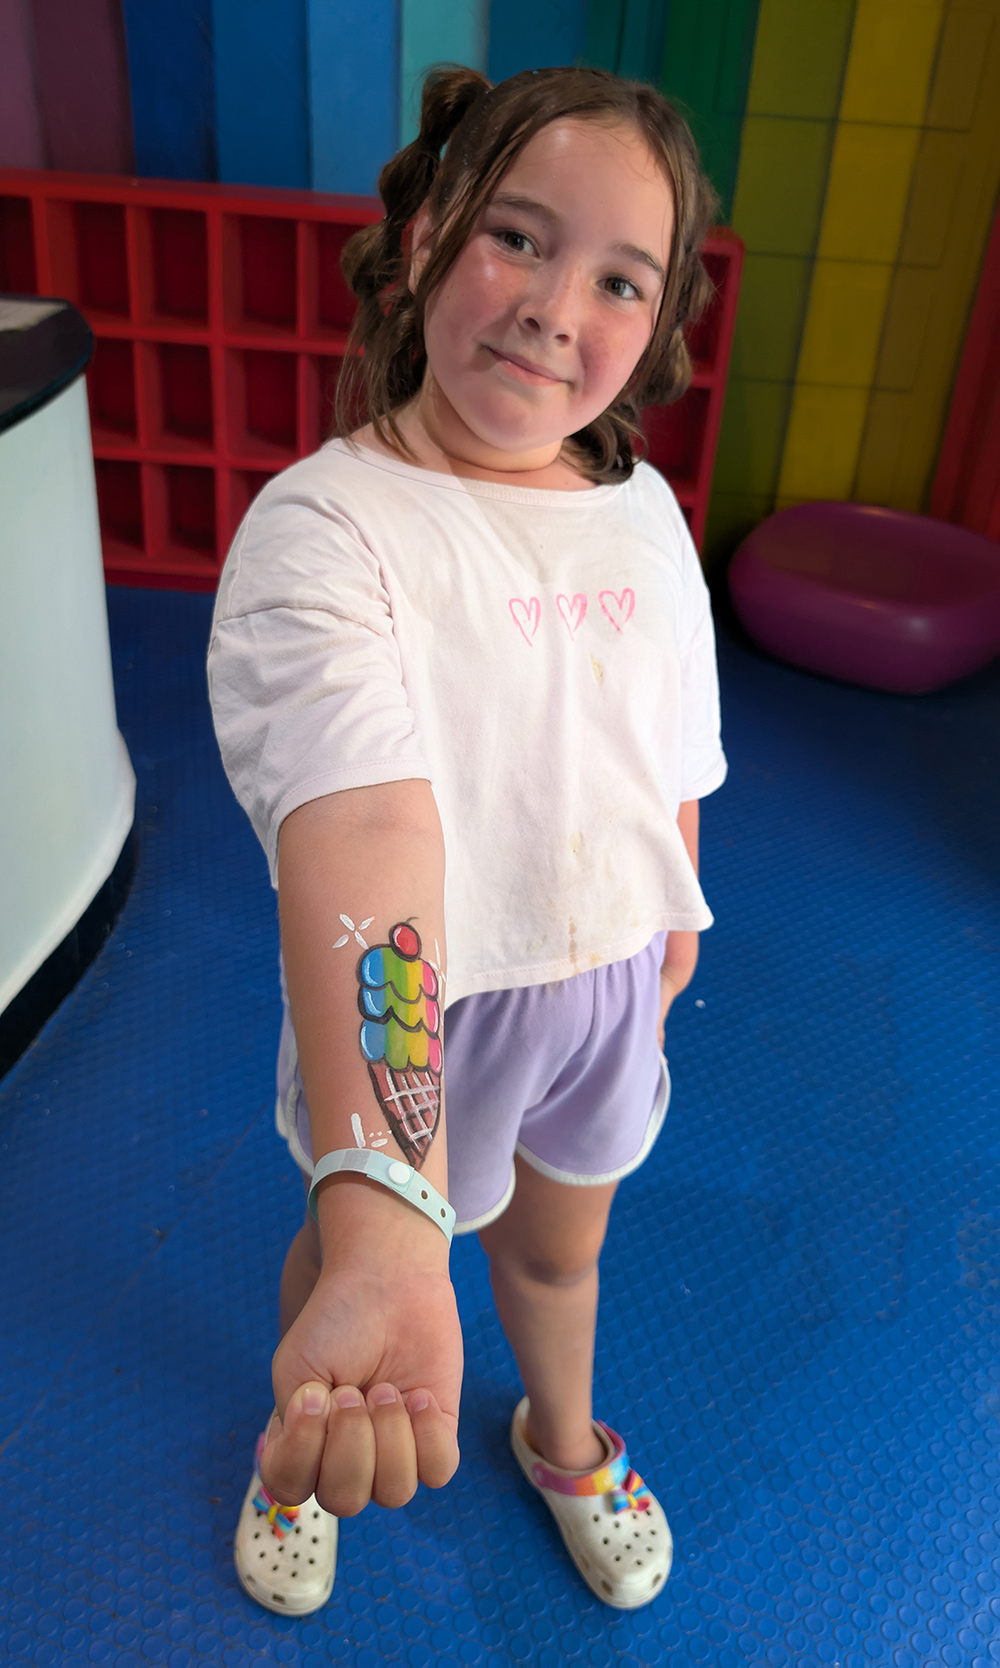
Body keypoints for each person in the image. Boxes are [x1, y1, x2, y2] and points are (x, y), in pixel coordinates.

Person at [208, 63, 726, 1617]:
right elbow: (366, 823)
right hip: (422, 1016)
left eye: (620, 278)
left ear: (658, 321)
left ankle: (562, 1440)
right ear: (430, 235)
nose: (556, 308)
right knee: (354, 1261)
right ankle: (299, 1441)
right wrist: (385, 1224)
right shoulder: (330, 526)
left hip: (607, 991)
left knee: (561, 1254)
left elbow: (674, 740)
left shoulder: (644, 512)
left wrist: (674, 909)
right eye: (517, 237)